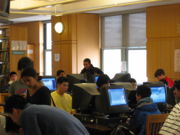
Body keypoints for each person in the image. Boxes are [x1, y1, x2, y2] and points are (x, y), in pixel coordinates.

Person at [4, 95, 89, 135]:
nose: (13, 121)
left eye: (11, 117)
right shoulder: (35, 109)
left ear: (15, 111)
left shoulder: (27, 114)